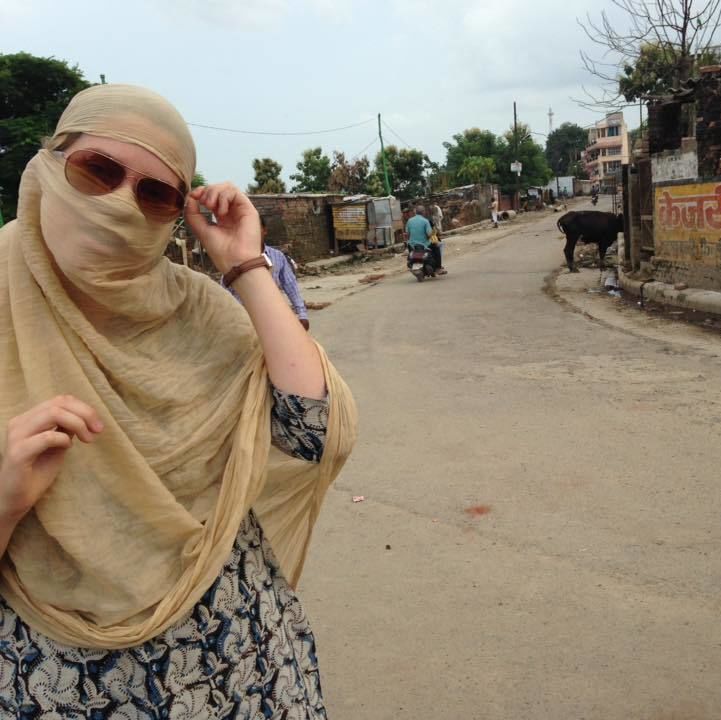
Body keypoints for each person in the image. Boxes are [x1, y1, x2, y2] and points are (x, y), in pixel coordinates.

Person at [0, 84, 357, 718]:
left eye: (153, 193)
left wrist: (244, 266)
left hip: (245, 665)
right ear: (50, 164)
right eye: (97, 171)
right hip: (61, 684)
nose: (118, 205)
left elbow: (316, 431)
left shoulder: (197, 309)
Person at [225, 215, 310, 330]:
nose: (251, 232)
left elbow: (290, 285)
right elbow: (225, 291)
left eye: (255, 227)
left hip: (272, 318)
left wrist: (302, 314)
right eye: (246, 228)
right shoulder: (233, 259)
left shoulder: (277, 257)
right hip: (242, 321)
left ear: (264, 231)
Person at [406, 205, 444, 274]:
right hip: (424, 245)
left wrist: (409, 242)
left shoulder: (409, 221)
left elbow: (407, 234)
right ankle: (438, 268)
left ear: (416, 212)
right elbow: (429, 234)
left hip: (412, 245)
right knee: (437, 248)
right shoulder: (425, 221)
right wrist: (434, 233)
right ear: (423, 212)